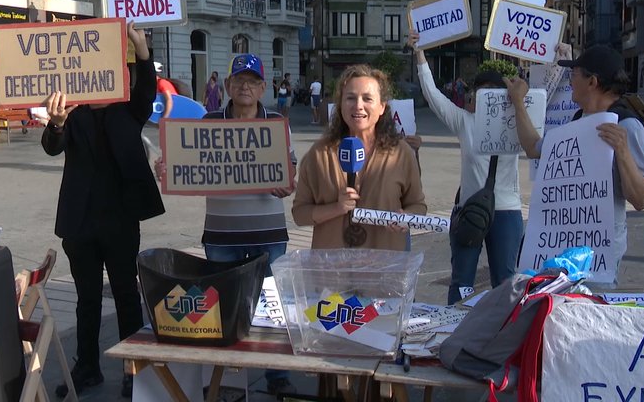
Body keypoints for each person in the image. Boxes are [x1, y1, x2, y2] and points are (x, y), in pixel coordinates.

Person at [154, 53, 298, 397]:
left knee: (271, 307)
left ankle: (277, 374)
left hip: (268, 233)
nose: (245, 86)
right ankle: (225, 375)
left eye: (252, 81)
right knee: (221, 308)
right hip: (222, 233)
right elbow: (190, 167)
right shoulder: (208, 122)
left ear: (263, 87)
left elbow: (290, 179)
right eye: (239, 80)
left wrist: (286, 184)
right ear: (229, 85)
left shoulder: (278, 122)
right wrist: (169, 170)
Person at [41, 22, 164, 398]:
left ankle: (132, 369)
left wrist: (142, 51)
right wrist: (57, 123)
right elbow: (51, 146)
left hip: (120, 220)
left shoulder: (129, 110)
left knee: (127, 294)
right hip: (80, 224)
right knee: (87, 298)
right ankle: (88, 366)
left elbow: (147, 88)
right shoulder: (72, 114)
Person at [507, 45, 644, 285]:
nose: (570, 80)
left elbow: (641, 199)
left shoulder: (627, 126)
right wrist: (518, 104)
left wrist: (623, 151)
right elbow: (534, 148)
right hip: (565, 246)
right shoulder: (579, 120)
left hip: (600, 254)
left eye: (574, 74)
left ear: (592, 81)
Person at [407, 32, 524, 305]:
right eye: (478, 93)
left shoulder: (518, 121)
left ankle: (503, 335)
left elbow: (546, 106)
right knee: (461, 282)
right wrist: (420, 54)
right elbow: (433, 96)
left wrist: (557, 63)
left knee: (505, 281)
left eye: (492, 95)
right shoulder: (465, 121)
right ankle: (454, 330)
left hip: (507, 211)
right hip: (468, 210)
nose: (483, 99)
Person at [292, 64, 426, 250]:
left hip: (384, 270)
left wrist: (405, 218)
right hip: (333, 272)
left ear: (381, 107)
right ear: (340, 106)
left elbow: (418, 206)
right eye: (350, 98)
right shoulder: (319, 154)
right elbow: (300, 214)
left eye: (367, 98)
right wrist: (336, 208)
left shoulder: (401, 153)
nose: (358, 106)